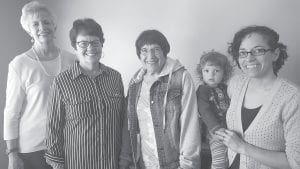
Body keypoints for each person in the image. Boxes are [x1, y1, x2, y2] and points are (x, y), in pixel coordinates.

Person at [215, 25, 300, 169]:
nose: (249, 58)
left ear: (275, 54)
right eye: (243, 52)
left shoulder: (292, 97)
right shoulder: (235, 84)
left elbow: (295, 162)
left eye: (258, 50)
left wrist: (243, 147)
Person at [45, 18, 125, 169]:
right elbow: (53, 128)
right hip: (78, 163)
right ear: (75, 46)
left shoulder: (115, 77)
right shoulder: (61, 81)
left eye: (95, 42)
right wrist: (57, 165)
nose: (90, 48)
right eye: (83, 43)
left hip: (112, 163)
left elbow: (122, 122)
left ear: (102, 44)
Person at [3, 1, 75, 169]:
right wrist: (12, 153)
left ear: (54, 26)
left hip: (68, 144)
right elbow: (11, 113)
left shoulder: (72, 60)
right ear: (29, 29)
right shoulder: (19, 64)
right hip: (33, 149)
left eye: (46, 22)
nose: (42, 27)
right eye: (35, 24)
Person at [119, 29, 201, 169]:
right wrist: (126, 162)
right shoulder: (135, 83)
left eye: (156, 49)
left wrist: (188, 166)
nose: (150, 56)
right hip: (143, 164)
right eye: (144, 50)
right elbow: (129, 127)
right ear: (139, 54)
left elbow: (190, 126)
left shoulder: (180, 77)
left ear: (165, 51)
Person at [196, 51, 232, 169]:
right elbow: (204, 110)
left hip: (229, 127)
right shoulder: (202, 90)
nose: (211, 75)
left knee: (231, 154)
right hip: (213, 130)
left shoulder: (226, 88)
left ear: (224, 73)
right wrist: (216, 129)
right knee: (219, 156)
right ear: (201, 72)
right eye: (207, 71)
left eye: (216, 71)